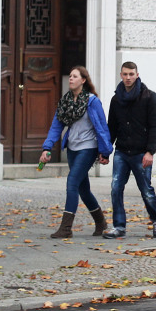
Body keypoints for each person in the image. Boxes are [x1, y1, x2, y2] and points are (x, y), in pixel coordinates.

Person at [39, 66, 113, 239]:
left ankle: (66, 228)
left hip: (88, 148)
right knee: (83, 189)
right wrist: (47, 148)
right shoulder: (65, 102)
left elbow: (102, 127)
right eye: (70, 76)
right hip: (72, 148)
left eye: (75, 76)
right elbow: (56, 126)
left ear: (83, 80)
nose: (71, 79)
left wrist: (105, 151)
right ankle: (101, 223)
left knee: (72, 181)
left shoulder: (92, 101)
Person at [104, 60, 156, 239]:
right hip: (122, 151)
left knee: (146, 189)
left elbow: (155, 127)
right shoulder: (116, 99)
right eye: (125, 74)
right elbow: (111, 127)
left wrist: (150, 152)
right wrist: (106, 151)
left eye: (131, 74)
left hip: (141, 152)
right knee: (116, 187)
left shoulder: (149, 96)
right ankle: (119, 226)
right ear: (121, 75)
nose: (128, 77)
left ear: (137, 75)